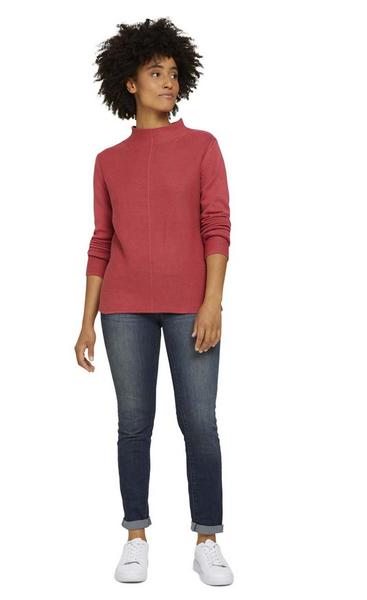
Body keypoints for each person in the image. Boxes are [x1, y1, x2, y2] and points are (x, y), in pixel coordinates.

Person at [74, 17, 234, 586]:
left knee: (200, 423)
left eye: (173, 73)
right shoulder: (107, 161)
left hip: (191, 304)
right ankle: (136, 536)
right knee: (134, 424)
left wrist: (212, 302)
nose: (168, 82)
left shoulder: (203, 146)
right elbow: (101, 242)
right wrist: (86, 322)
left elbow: (217, 227)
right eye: (155, 72)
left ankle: (207, 540)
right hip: (122, 309)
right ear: (130, 83)